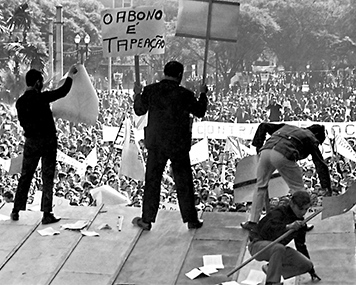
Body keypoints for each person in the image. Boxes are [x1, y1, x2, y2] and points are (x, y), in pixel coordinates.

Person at [132, 60, 208, 230]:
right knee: (184, 182)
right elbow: (200, 111)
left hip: (156, 143)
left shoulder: (151, 90)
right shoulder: (185, 94)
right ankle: (191, 219)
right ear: (180, 75)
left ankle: (147, 219)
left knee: (152, 181)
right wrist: (203, 94)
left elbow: (139, 110)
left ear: (164, 72)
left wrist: (137, 94)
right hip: (178, 144)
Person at [10, 64, 78, 224]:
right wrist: (70, 76)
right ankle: (47, 213)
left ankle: (16, 209)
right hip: (47, 142)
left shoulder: (19, 103)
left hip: (31, 142)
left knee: (26, 176)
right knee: (47, 177)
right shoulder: (41, 98)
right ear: (37, 83)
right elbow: (62, 92)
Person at [241, 123, 331, 230]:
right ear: (317, 136)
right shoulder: (310, 137)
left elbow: (263, 125)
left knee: (260, 187)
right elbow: (319, 163)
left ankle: (252, 222)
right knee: (298, 191)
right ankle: (300, 223)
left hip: (265, 151)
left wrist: (258, 145)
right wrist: (326, 186)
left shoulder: (287, 127)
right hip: (284, 153)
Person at [247, 191, 321, 285]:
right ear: (292, 204)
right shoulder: (279, 212)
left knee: (306, 264)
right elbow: (268, 229)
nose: (303, 212)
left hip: (278, 252)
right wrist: (288, 227)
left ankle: (271, 269)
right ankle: (272, 282)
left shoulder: (300, 223)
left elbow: (301, 245)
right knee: (278, 248)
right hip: (258, 245)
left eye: (306, 209)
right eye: (300, 209)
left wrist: (311, 270)